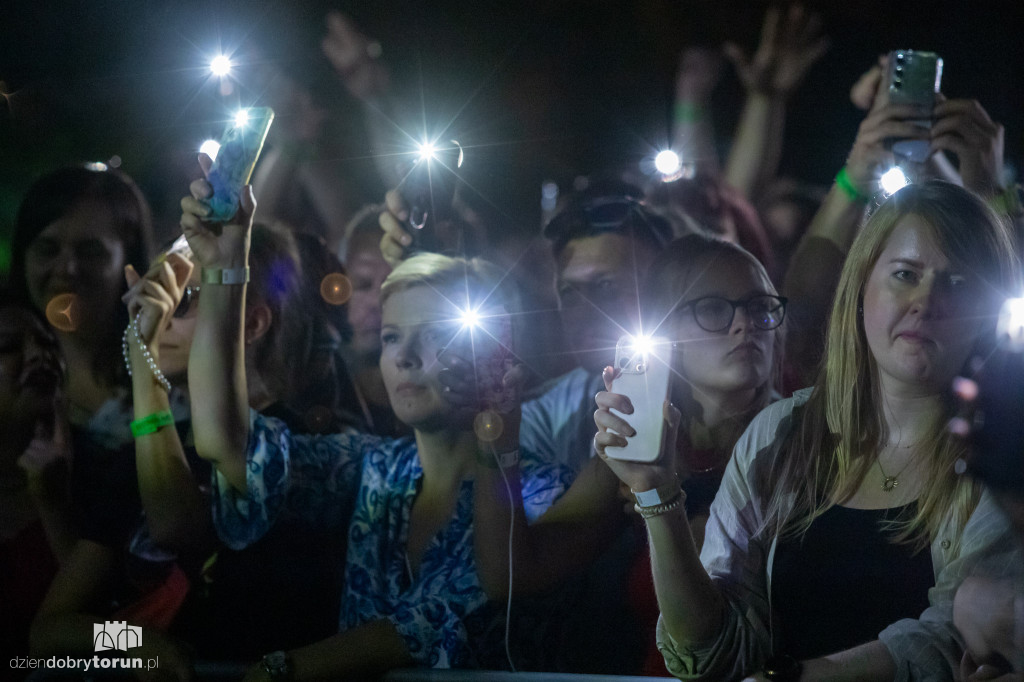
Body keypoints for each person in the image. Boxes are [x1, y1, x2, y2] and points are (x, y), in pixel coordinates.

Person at [596, 180, 1022, 681]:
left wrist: (796, 678)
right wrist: (657, 493)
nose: (927, 302)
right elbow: (709, 654)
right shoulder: (776, 437)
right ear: (861, 287)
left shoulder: (1002, 454)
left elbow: (950, 639)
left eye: (958, 283)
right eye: (906, 274)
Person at [179, 170, 570, 678]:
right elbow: (227, 443)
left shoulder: (542, 489)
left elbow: (430, 621)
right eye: (390, 337)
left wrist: (285, 671)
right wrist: (225, 266)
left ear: (494, 349)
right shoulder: (372, 468)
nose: (404, 357)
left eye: (434, 335)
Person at [0, 297, 70, 669]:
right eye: (8, 347)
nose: (38, 355)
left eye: (49, 343)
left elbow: (137, 625)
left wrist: (56, 509)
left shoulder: (114, 476)